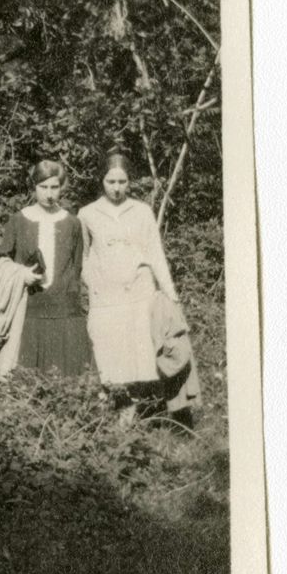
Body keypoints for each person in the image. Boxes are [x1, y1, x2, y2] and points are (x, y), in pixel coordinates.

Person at [78, 152, 179, 415]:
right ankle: (104, 415)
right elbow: (83, 256)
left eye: (122, 181)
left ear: (129, 181)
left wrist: (170, 292)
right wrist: (92, 282)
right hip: (106, 297)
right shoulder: (88, 213)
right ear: (102, 181)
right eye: (111, 181)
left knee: (137, 357)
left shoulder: (142, 211)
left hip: (139, 293)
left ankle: (131, 417)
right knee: (106, 352)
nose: (116, 188)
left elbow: (155, 253)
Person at [0, 159, 91, 376]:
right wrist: (21, 274)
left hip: (65, 309)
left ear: (62, 187)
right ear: (33, 187)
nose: (49, 193)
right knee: (29, 376)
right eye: (43, 187)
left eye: (54, 187)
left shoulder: (72, 223)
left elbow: (76, 267)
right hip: (29, 307)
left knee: (69, 375)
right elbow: (2, 262)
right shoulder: (18, 221)